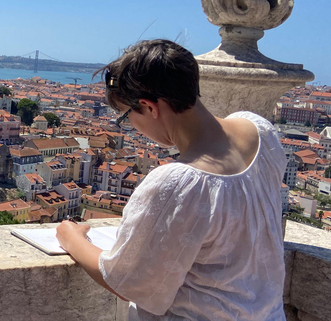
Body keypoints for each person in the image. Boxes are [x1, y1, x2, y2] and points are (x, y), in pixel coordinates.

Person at [56, 39, 287, 320]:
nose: (133, 127)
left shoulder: (179, 183)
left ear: (150, 107)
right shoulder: (262, 133)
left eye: (127, 116)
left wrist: (70, 237)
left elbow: (127, 281)